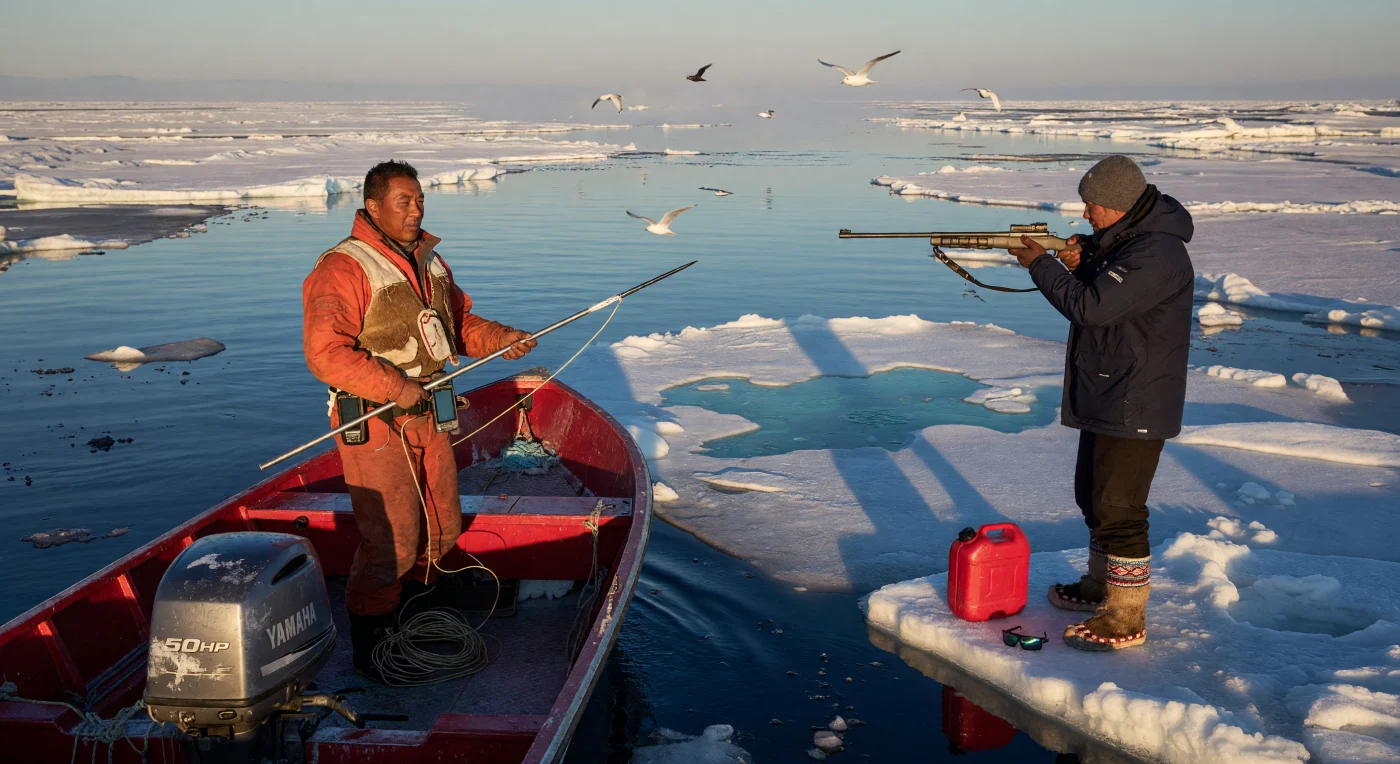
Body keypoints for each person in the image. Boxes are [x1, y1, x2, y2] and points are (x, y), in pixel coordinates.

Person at [302, 160, 536, 678]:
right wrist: (396, 387)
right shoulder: (344, 268)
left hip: (429, 414)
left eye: (420, 200)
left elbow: (454, 324)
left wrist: (500, 338)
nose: (415, 209)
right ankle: (375, 651)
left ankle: (412, 615)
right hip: (376, 422)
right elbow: (324, 353)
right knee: (392, 539)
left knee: (441, 524)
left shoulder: (429, 262)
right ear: (373, 206)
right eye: (404, 201)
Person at [1007, 155, 1194, 651]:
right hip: (1110, 388)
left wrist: (1041, 265)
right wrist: (1082, 258)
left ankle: (1125, 614)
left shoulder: (1158, 254)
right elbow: (1107, 280)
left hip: (1137, 398)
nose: (1085, 214)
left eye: (1091, 206)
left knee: (1120, 508)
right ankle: (1098, 586)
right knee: (1092, 496)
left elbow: (1092, 308)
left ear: (1118, 204)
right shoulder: (1130, 241)